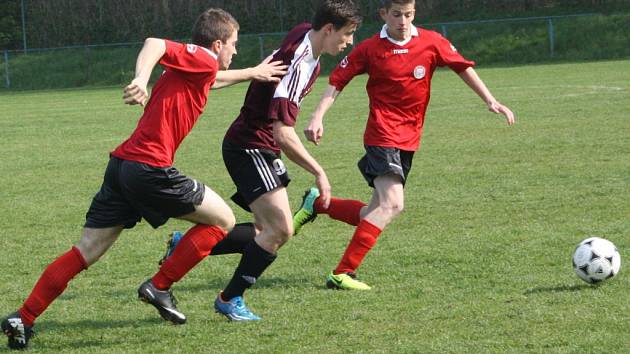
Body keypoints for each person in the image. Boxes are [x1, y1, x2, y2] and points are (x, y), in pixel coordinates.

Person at [1, 8, 287, 350]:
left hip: (121, 167)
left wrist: (252, 73)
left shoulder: (199, 70)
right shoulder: (204, 60)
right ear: (217, 44)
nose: (236, 51)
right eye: (234, 44)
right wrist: (140, 79)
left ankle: (24, 317)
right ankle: (160, 286)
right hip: (150, 169)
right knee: (222, 221)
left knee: (85, 251)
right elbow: (155, 43)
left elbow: (214, 80)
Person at [292, 0, 515, 290]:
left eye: (408, 14)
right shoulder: (371, 48)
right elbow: (338, 81)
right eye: (396, 14)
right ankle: (342, 273)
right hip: (382, 135)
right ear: (383, 14)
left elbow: (462, 67)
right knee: (393, 203)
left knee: (371, 213)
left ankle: (318, 205)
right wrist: (317, 116)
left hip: (409, 138)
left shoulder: (431, 42)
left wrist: (491, 100)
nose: (403, 21)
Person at [193, 0, 362, 321]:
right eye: (347, 33)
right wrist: (319, 172)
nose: (350, 41)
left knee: (265, 228)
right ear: (328, 29)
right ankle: (230, 298)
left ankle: (190, 245)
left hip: (257, 144)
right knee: (281, 229)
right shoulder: (299, 63)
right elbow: (283, 133)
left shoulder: (304, 35)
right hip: (251, 146)